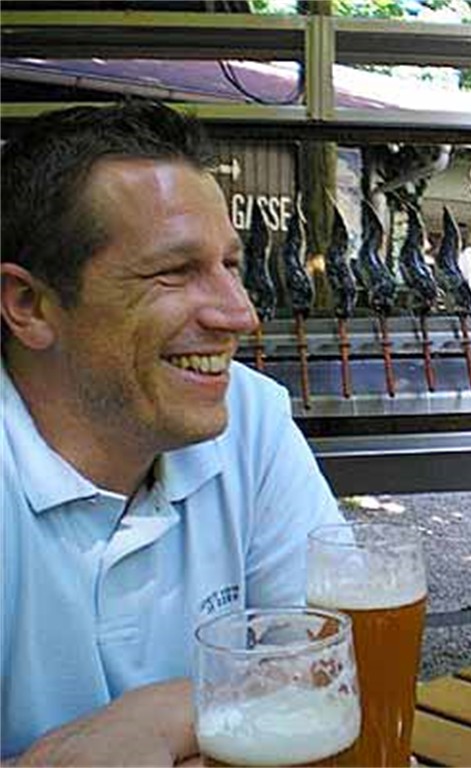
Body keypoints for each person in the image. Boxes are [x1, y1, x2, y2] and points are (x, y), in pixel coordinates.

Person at [1, 101, 343, 764]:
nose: (239, 314)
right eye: (174, 272)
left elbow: (329, 669)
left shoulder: (250, 419)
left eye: (231, 265)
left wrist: (167, 713)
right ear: (30, 306)